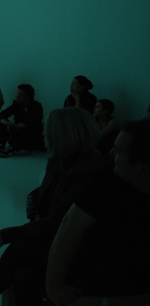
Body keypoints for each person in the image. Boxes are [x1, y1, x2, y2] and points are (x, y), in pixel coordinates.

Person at [0, 108, 106, 306]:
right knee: (23, 275)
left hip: (79, 245)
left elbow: (59, 222)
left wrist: (4, 235)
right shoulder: (60, 158)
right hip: (59, 237)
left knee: (19, 250)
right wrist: (35, 214)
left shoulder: (89, 167)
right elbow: (41, 193)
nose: (43, 133)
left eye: (48, 130)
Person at [46, 120, 150, 306]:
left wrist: (103, 303)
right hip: (106, 260)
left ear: (141, 167)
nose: (110, 154)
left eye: (118, 151)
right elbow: (71, 223)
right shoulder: (113, 171)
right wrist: (54, 286)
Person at [0, 84, 44, 157]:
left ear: (28, 97)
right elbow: (1, 114)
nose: (17, 96)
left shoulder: (37, 106)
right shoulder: (16, 105)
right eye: (18, 94)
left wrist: (20, 125)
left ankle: (12, 149)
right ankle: (0, 146)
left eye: (21, 95)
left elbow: (36, 120)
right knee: (5, 123)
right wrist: (6, 122)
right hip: (17, 134)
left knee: (23, 130)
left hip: (31, 136)